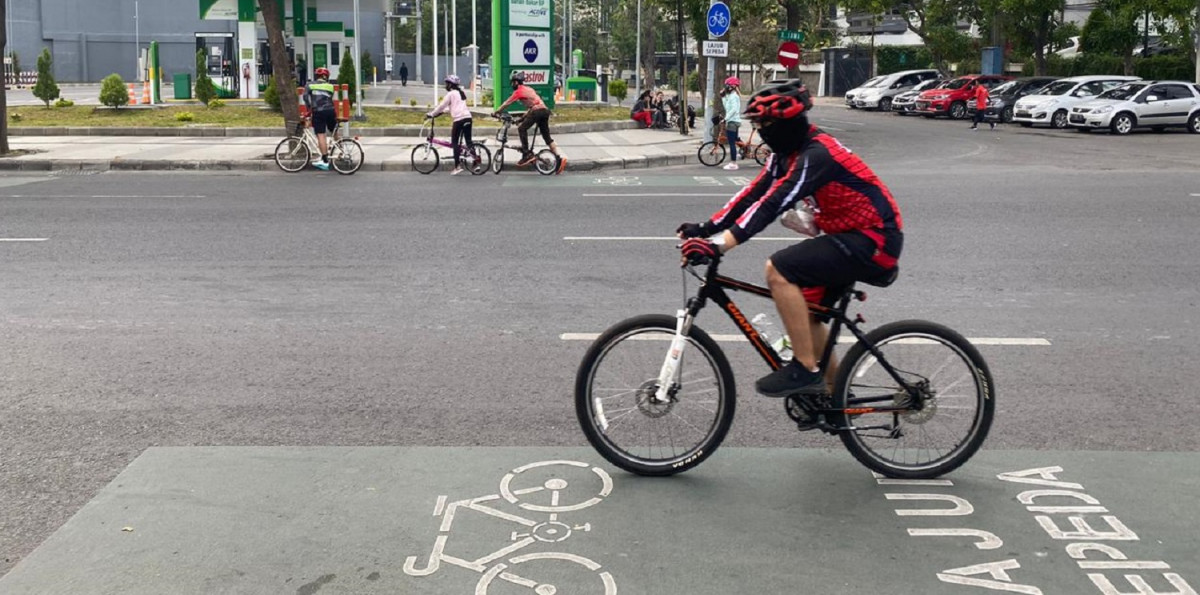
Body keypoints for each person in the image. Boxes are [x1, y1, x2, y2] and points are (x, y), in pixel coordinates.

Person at [677, 79, 904, 400]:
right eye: (758, 125)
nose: (761, 131)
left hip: (875, 239)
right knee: (808, 313)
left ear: (787, 123)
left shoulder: (817, 153)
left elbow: (774, 203)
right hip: (850, 237)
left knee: (779, 269)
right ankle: (836, 399)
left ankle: (805, 368)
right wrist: (705, 228)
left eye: (765, 125)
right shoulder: (786, 154)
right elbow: (752, 195)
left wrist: (720, 244)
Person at [494, 72, 567, 173]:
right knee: (547, 137)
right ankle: (559, 159)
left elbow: (507, 103)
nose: (512, 85)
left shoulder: (519, 91)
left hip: (537, 111)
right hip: (544, 111)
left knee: (521, 129)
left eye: (512, 82)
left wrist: (496, 112)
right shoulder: (529, 89)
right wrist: (521, 119)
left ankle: (526, 154)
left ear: (516, 82)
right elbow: (532, 107)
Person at [428, 74, 475, 175]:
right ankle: (476, 163)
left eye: (447, 83)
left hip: (459, 120)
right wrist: (439, 113)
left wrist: (432, 114)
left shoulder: (450, 94)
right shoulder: (460, 93)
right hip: (468, 118)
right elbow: (450, 108)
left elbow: (441, 106)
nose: (446, 85)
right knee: (469, 141)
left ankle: (457, 166)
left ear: (450, 84)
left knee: (455, 143)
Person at [303, 67, 338, 171]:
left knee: (321, 135)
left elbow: (306, 98)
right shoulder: (330, 86)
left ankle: (325, 161)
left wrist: (308, 111)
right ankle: (341, 149)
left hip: (318, 111)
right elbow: (329, 98)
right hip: (330, 111)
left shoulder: (309, 85)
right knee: (333, 131)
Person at [720, 77, 742, 170]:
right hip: (733, 121)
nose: (725, 87)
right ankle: (741, 152)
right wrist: (723, 97)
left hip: (732, 122)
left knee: (731, 143)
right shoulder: (731, 96)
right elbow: (727, 107)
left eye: (727, 85)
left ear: (732, 86)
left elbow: (733, 110)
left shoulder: (734, 96)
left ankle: (733, 163)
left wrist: (725, 119)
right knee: (735, 140)